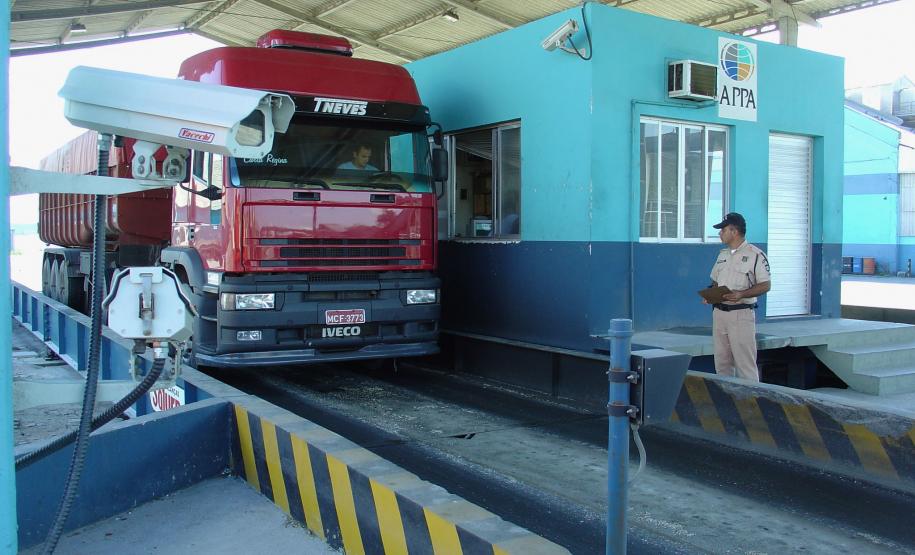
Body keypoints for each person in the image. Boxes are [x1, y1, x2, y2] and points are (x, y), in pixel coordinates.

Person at [705, 212, 771, 381]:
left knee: (745, 363)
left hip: (740, 315)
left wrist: (741, 294)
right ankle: (727, 399)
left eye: (723, 230)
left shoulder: (755, 255)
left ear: (734, 231)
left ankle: (750, 402)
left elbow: (765, 285)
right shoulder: (722, 254)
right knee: (722, 362)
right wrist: (710, 295)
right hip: (719, 314)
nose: (720, 233)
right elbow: (715, 281)